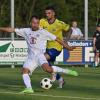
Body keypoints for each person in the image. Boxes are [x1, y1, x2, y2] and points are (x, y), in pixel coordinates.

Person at [0, 16, 78, 93]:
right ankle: (29, 88)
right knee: (24, 71)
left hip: (40, 56)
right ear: (30, 23)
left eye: (37, 23)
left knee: (48, 69)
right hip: (31, 58)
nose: (35, 25)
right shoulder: (26, 31)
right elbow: (12, 30)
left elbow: (57, 39)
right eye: (34, 23)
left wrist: (67, 46)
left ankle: (67, 71)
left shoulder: (43, 32)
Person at [40, 6, 71, 88]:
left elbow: (69, 30)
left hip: (56, 48)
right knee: (48, 68)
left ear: (53, 14)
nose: (47, 15)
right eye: (46, 13)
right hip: (47, 47)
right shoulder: (43, 21)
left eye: (49, 13)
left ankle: (29, 71)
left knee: (42, 58)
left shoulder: (59, 23)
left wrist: (65, 41)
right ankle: (60, 80)